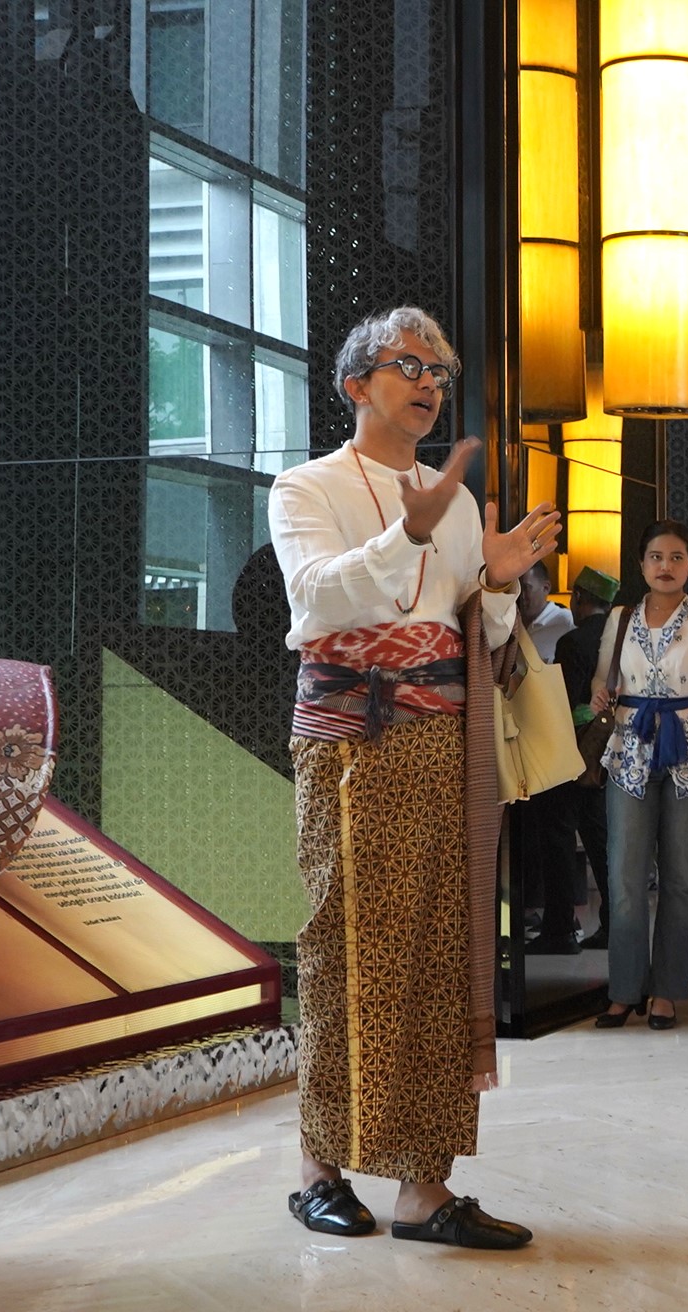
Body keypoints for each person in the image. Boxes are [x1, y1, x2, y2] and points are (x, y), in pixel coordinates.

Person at [270, 305, 556, 1248]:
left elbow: (488, 635)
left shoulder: (458, 497)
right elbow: (315, 601)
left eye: (440, 371)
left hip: (442, 741)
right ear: (357, 385)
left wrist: (502, 579)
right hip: (350, 738)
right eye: (409, 366)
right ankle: (319, 1171)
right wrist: (407, 532)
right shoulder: (303, 486)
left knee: (442, 948)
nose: (432, 384)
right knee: (339, 938)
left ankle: (424, 1192)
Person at [591, 520, 688, 1032]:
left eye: (677, 557)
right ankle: (623, 990)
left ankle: (667, 992)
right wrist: (597, 693)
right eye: (656, 557)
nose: (666, 566)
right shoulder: (619, 619)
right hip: (628, 753)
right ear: (641, 564)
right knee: (625, 878)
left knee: (679, 879)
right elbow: (602, 682)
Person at [510, 559, 584, 955]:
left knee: (556, 832)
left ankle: (561, 921)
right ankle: (537, 911)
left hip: (554, 741)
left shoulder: (565, 628)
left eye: (527, 587)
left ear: (546, 586)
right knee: (531, 831)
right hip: (519, 741)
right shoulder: (508, 622)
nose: (521, 597)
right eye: (515, 590)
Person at [556, 565, 619, 947]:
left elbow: (565, 703)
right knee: (606, 843)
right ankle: (615, 925)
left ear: (577, 598)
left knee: (562, 835)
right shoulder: (621, 640)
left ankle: (561, 927)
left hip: (578, 752)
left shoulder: (573, 642)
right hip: (617, 751)